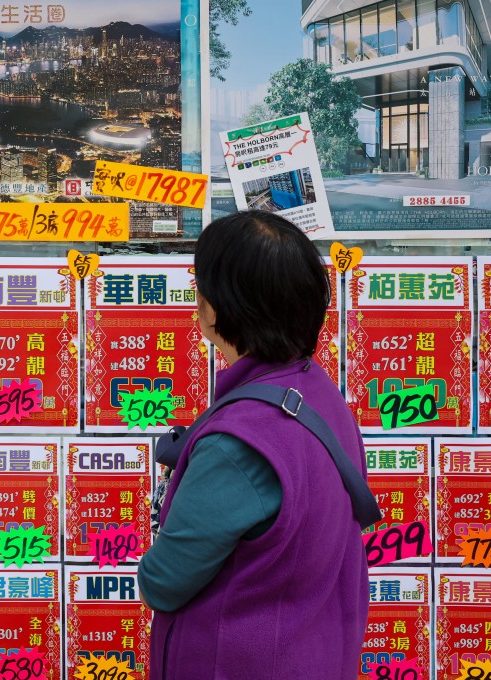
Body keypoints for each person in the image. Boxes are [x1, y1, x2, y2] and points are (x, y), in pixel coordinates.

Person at [137, 210, 372, 679]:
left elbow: (162, 583)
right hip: (316, 657)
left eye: (199, 285)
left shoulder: (237, 441)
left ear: (216, 307)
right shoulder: (319, 394)